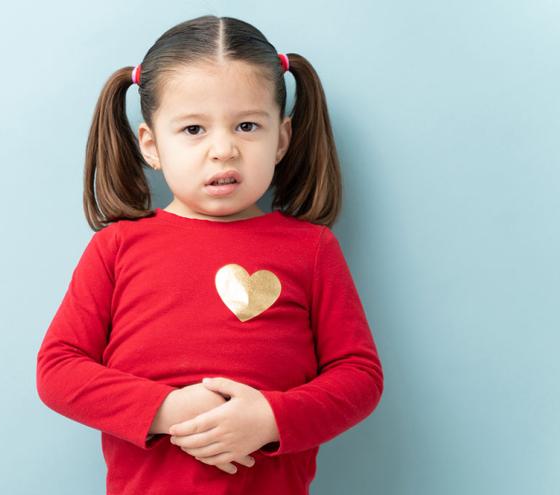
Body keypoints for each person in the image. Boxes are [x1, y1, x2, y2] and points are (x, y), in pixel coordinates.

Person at [36, 14, 384, 495]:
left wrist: (270, 419)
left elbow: (359, 376)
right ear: (152, 146)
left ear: (280, 139)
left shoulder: (312, 248)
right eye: (194, 129)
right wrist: (167, 410)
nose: (223, 150)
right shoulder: (117, 247)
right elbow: (59, 370)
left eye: (246, 126)